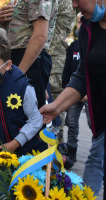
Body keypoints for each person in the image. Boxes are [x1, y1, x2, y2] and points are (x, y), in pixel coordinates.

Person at [40, 0, 106, 196]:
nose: (74, 5)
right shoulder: (87, 29)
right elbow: (82, 76)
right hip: (101, 119)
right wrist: (56, 106)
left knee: (95, 159)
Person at [0, 0, 57, 109]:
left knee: (28, 119)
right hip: (20, 59)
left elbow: (40, 36)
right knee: (11, 116)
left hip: (28, 60)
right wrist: (3, 22)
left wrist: (17, 75)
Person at [61, 12, 91, 170]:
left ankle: (96, 155)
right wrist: (66, 85)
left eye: (83, 22)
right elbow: (67, 69)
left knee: (93, 124)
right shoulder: (73, 46)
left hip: (91, 93)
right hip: (74, 92)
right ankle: (71, 153)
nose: (80, 26)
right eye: (78, 23)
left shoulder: (94, 43)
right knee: (71, 122)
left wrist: (86, 93)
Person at [47, 0, 76, 134]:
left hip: (53, 56)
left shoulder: (64, 2)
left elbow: (64, 25)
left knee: (55, 97)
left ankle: (56, 142)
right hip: (33, 54)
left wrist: (40, 48)